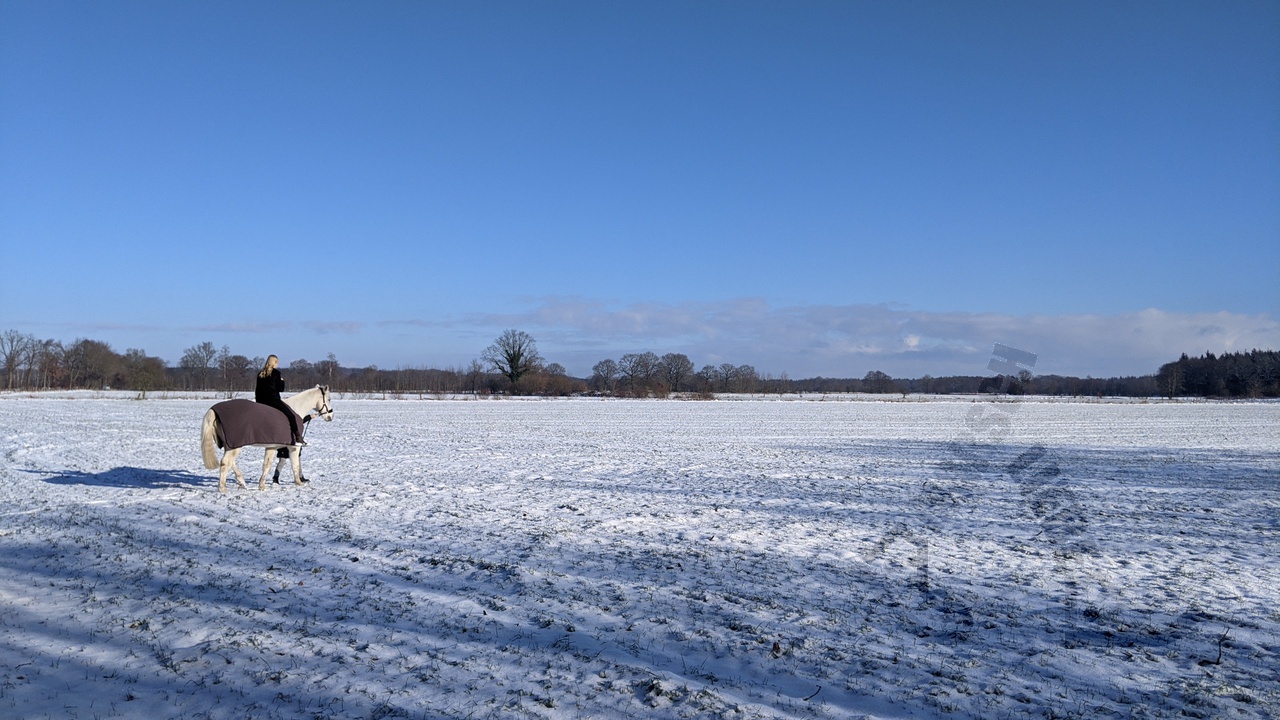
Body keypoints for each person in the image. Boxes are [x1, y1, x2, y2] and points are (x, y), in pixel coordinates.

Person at [255, 354, 305, 446]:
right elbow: (280, 389)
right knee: (291, 416)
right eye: (277, 362)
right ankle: (298, 436)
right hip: (273, 400)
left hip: (261, 401)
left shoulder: (260, 374)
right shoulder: (276, 373)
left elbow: (257, 390)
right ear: (274, 363)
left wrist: (258, 402)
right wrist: (282, 381)